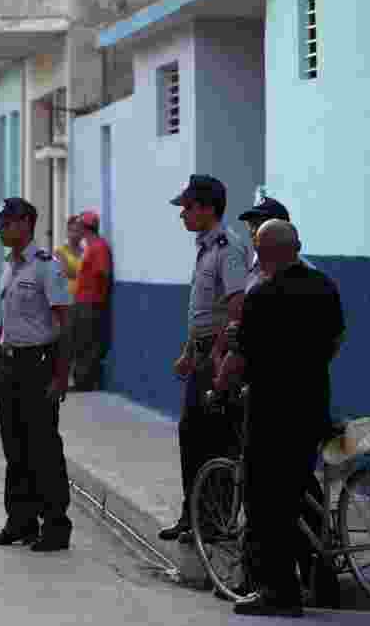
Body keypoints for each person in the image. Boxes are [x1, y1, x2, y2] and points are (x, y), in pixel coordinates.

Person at [215, 219, 345, 618]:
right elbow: (337, 339)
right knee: (302, 495)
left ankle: (279, 592)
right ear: (298, 245)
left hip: (272, 413)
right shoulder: (324, 286)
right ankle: (324, 582)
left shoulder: (263, 295)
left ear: (262, 252)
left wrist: (221, 385)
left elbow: (241, 358)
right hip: (314, 407)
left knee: (267, 504)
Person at [159, 175, 250, 543]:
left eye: (188, 207)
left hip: (218, 353)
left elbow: (236, 309)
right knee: (192, 434)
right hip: (201, 351)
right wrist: (187, 351)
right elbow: (202, 312)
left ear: (208, 208)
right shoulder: (206, 248)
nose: (182, 214)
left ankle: (214, 520)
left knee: (217, 437)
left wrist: (217, 356)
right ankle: (193, 513)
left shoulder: (228, 248)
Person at [0, 197, 74, 552]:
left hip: (38, 365)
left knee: (43, 447)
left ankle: (55, 525)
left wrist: (61, 375)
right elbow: (7, 323)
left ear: (25, 224)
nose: (1, 231)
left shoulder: (46, 267)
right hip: (10, 364)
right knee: (14, 447)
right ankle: (20, 521)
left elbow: (64, 324)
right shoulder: (10, 267)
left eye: (5, 224)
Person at [71, 210, 112, 391]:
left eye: (79, 226)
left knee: (87, 343)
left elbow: (104, 273)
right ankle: (81, 379)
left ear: (86, 228)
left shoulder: (98, 247)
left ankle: (85, 381)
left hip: (91, 302)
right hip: (84, 301)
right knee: (80, 341)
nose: (76, 229)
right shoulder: (90, 246)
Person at [53, 216, 84, 300]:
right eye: (72, 231)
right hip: (65, 299)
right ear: (67, 232)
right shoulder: (60, 252)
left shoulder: (85, 252)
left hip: (82, 299)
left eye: (78, 231)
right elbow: (64, 275)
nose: (75, 234)